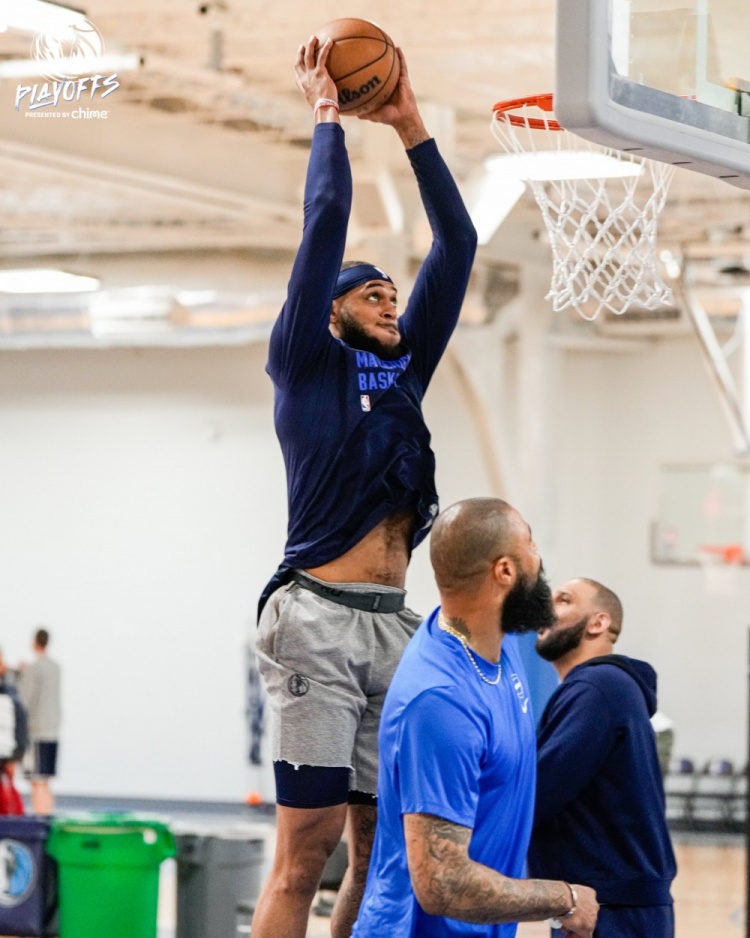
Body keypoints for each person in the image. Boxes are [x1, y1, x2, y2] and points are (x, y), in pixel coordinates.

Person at [253, 32, 477, 938]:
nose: (389, 298)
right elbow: (324, 221)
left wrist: (410, 121)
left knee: (383, 846)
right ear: (332, 311)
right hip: (316, 616)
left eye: (393, 291)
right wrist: (329, 117)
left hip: (395, 624)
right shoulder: (305, 362)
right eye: (370, 293)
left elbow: (458, 241)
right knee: (304, 853)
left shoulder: (406, 371)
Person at [352, 498, 599, 938]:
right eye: (531, 544)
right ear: (504, 571)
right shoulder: (441, 702)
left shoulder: (496, 644)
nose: (539, 558)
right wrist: (564, 899)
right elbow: (442, 884)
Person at [530, 578, 677, 937]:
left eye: (564, 600)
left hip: (610, 910)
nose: (546, 609)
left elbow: (537, 793)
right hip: (604, 903)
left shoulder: (596, 687)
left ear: (598, 622)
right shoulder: (604, 686)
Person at [17, 628, 61, 815]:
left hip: (37, 731)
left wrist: (21, 675)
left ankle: (41, 819)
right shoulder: (55, 668)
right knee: (45, 779)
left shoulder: (33, 669)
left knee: (37, 780)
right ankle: (47, 815)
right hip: (52, 729)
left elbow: (24, 698)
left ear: (35, 642)